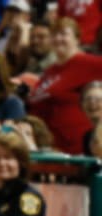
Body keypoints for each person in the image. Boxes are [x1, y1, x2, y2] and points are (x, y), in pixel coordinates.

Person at [26, 18, 102, 155]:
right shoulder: (49, 71)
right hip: (49, 150)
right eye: (54, 34)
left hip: (78, 150)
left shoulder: (91, 64)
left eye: (63, 34)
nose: (58, 38)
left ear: (77, 39)